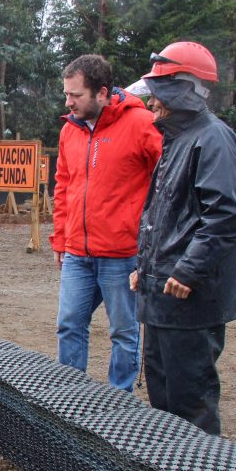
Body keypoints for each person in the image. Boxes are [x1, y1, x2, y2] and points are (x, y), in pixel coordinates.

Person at [130, 41, 236, 435]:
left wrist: (188, 271)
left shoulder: (213, 139)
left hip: (191, 299)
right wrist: (146, 268)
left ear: (183, 88)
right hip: (164, 295)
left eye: (158, 91)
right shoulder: (177, 140)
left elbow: (226, 214)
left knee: (191, 401)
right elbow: (164, 215)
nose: (151, 102)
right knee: (163, 396)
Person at [51, 54, 163, 391]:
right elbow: (63, 185)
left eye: (76, 95)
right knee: (69, 324)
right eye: (67, 94)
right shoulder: (69, 131)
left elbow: (170, 180)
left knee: (124, 332)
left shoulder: (142, 124)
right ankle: (72, 398)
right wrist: (60, 239)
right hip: (77, 252)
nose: (68, 102)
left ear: (101, 93)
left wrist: (150, 237)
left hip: (122, 253)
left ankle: (120, 401)